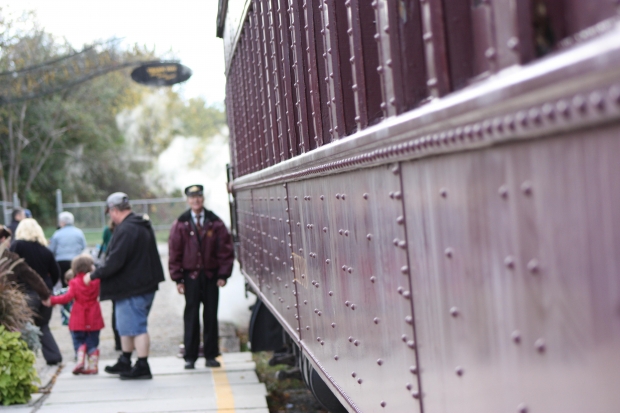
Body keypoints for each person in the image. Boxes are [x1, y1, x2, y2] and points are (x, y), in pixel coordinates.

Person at [84, 192, 165, 380]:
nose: (110, 216)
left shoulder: (127, 229)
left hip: (133, 288)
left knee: (136, 327)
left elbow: (115, 261)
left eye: (110, 212)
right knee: (125, 327)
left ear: (114, 210)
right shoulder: (139, 225)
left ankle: (143, 365)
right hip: (139, 285)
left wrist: (94, 275)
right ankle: (126, 360)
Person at [168, 184, 234, 369]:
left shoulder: (215, 222)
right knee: (191, 316)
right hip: (191, 277)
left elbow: (226, 250)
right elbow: (175, 252)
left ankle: (211, 355)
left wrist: (223, 274)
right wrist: (178, 279)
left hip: (211, 276)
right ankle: (190, 356)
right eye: (192, 197)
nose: (196, 200)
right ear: (188, 200)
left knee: (211, 316)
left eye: (199, 197)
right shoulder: (181, 223)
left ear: (203, 199)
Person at [10, 218, 63, 365]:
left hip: (24, 293)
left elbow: (10, 268)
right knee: (43, 326)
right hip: (44, 294)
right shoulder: (45, 250)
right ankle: (54, 357)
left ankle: (23, 361)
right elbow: (56, 271)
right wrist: (48, 288)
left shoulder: (17, 246)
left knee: (22, 327)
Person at [43, 254, 103, 375]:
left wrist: (52, 300)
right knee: (92, 342)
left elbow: (67, 297)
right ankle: (93, 366)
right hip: (94, 316)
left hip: (78, 317)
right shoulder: (96, 281)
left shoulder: (74, 282)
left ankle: (80, 359)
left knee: (79, 340)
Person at [0, 226, 52, 317]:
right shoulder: (10, 258)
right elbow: (31, 276)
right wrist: (45, 295)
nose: (9, 245)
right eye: (8, 241)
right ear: (3, 239)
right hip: (4, 305)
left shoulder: (11, 257)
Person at [97, 220, 121, 351]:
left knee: (116, 308)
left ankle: (119, 341)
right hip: (116, 271)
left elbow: (105, 247)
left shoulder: (109, 230)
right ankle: (122, 340)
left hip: (111, 269)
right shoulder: (110, 230)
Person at [49, 211, 87, 288]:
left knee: (64, 282)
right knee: (76, 282)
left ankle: (66, 296)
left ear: (62, 222)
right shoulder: (79, 232)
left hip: (61, 262)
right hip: (75, 261)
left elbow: (51, 249)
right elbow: (83, 246)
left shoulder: (57, 234)